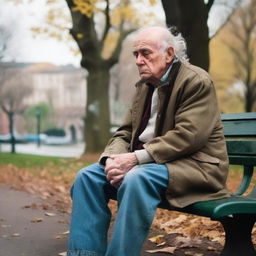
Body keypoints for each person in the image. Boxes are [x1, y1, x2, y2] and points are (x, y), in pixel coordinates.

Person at [67, 26, 229, 256]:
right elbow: (124, 132)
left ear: (169, 54)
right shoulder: (144, 87)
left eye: (145, 53)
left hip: (197, 168)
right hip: (154, 165)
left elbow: (188, 136)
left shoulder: (196, 81)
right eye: (136, 55)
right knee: (87, 177)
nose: (138, 61)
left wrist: (134, 158)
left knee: (137, 177)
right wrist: (112, 159)